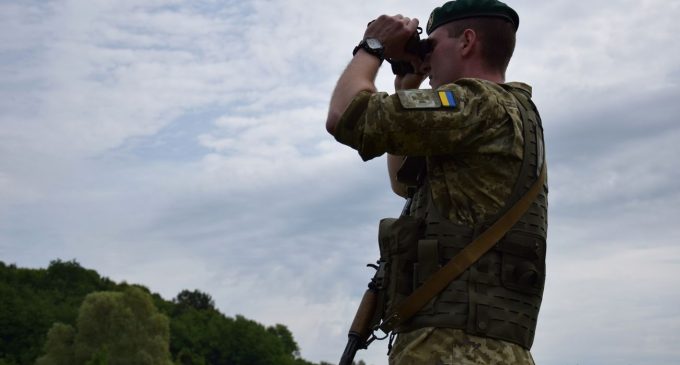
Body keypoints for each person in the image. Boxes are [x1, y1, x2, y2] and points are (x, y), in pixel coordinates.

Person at [326, 0, 547, 364]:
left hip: (452, 349)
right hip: (486, 350)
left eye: (433, 45)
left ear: (467, 41)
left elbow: (345, 116)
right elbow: (404, 182)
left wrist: (372, 46)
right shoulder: (508, 113)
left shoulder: (476, 103)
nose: (426, 58)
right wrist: (407, 84)